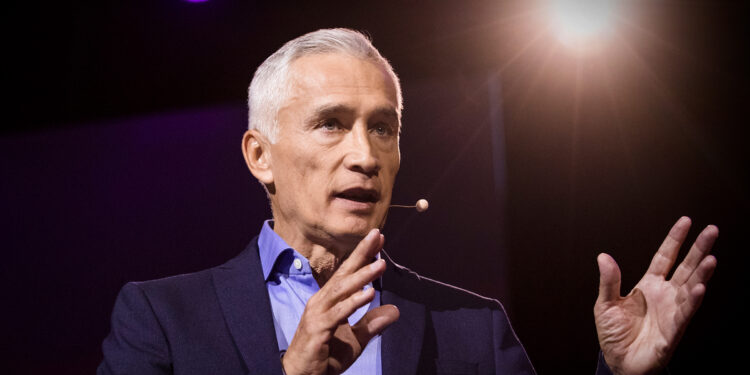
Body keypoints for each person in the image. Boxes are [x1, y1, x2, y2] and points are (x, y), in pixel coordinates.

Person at [97, 28, 718, 375]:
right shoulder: (161, 319)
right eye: (332, 124)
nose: (366, 156)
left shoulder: (474, 329)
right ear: (261, 156)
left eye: (384, 128)